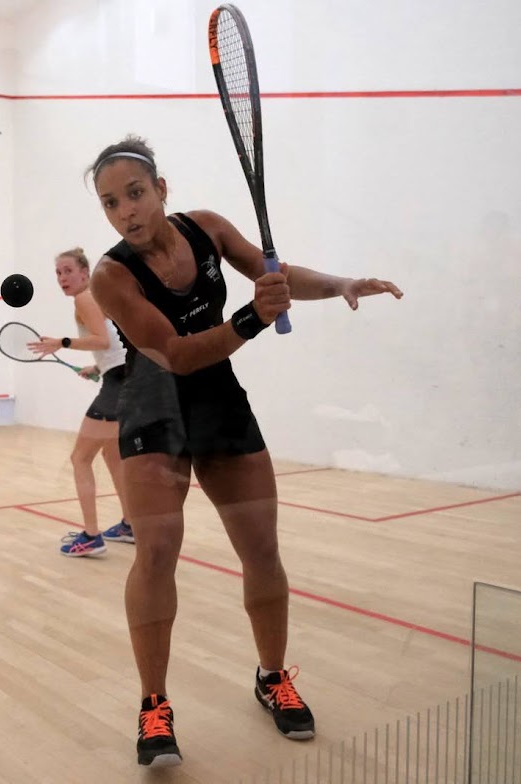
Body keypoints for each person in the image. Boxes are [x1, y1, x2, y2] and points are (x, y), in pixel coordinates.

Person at [84, 135, 403, 767]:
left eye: (135, 193)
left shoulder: (206, 228)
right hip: (154, 407)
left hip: (219, 402)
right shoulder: (109, 276)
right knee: (156, 553)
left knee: (261, 549)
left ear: (161, 189)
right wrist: (252, 320)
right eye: (111, 203)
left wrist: (340, 282)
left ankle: (273, 677)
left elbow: (272, 274)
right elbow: (175, 353)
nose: (126, 211)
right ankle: (154, 706)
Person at [27, 248, 134, 557]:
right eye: (58, 273)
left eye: (68, 271)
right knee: (112, 455)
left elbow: (101, 339)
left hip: (118, 385)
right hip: (127, 378)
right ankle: (130, 525)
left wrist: (61, 343)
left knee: (80, 459)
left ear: (85, 273)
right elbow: (114, 345)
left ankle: (91, 536)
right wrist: (97, 367)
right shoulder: (95, 297)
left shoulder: (85, 298)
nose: (62, 278)